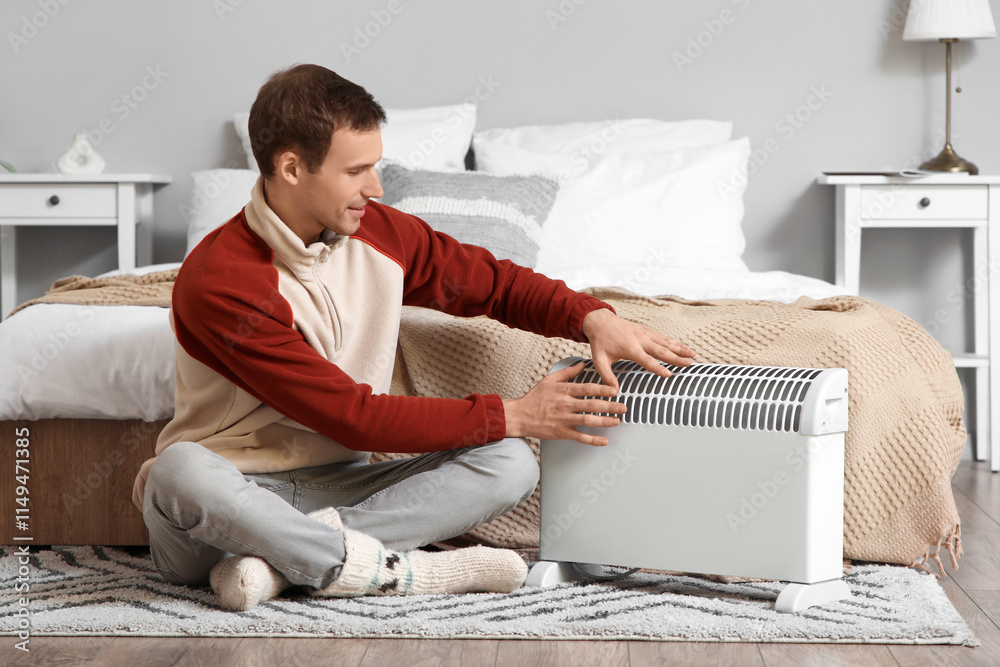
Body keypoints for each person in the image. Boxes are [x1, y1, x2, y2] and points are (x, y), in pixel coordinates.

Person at [131, 64, 696, 611]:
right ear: (292, 168)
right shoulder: (222, 281)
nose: (375, 187)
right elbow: (351, 416)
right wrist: (516, 413)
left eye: (376, 166)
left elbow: (490, 283)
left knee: (510, 463)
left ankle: (288, 565)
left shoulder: (379, 232)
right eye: (356, 171)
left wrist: (592, 317)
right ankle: (394, 570)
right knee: (178, 470)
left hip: (343, 486)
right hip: (229, 503)